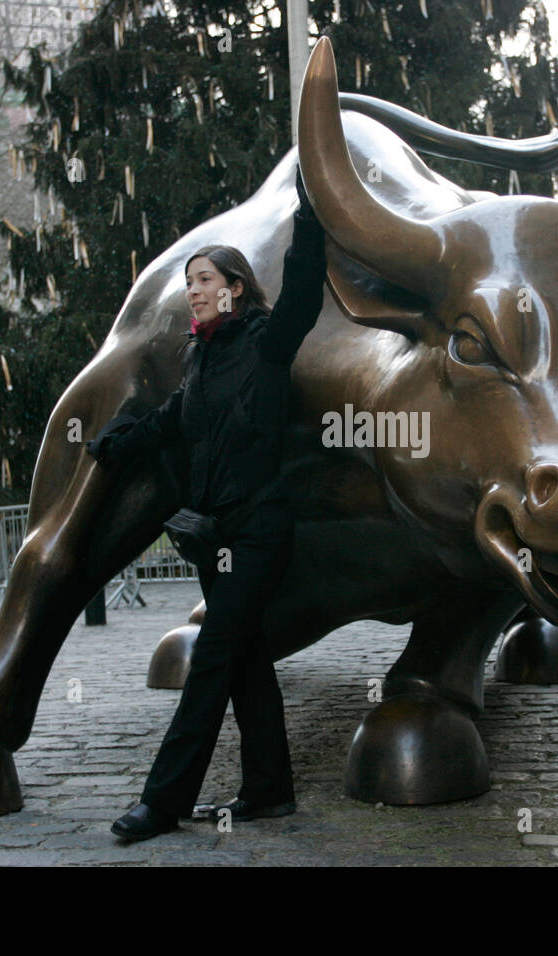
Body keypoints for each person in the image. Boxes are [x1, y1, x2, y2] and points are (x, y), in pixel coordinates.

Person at [86, 167, 327, 841]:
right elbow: (171, 420)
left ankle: (161, 803)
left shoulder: (266, 343)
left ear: (235, 288)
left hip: (258, 531)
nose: (192, 292)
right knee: (246, 658)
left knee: (213, 657)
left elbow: (304, 292)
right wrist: (118, 441)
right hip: (211, 534)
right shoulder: (200, 361)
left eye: (203, 281)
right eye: (189, 282)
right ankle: (270, 789)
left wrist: (309, 216)